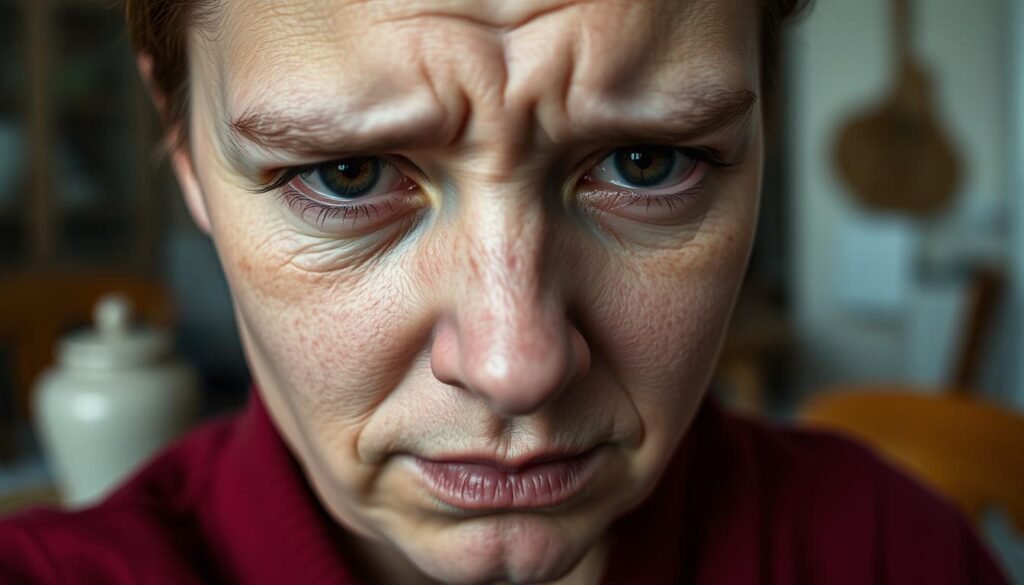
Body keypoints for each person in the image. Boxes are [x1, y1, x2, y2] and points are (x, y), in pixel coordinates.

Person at [0, 0, 1010, 583]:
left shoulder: (888, 556)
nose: (513, 365)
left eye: (647, 161)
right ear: (185, 150)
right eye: (346, 175)